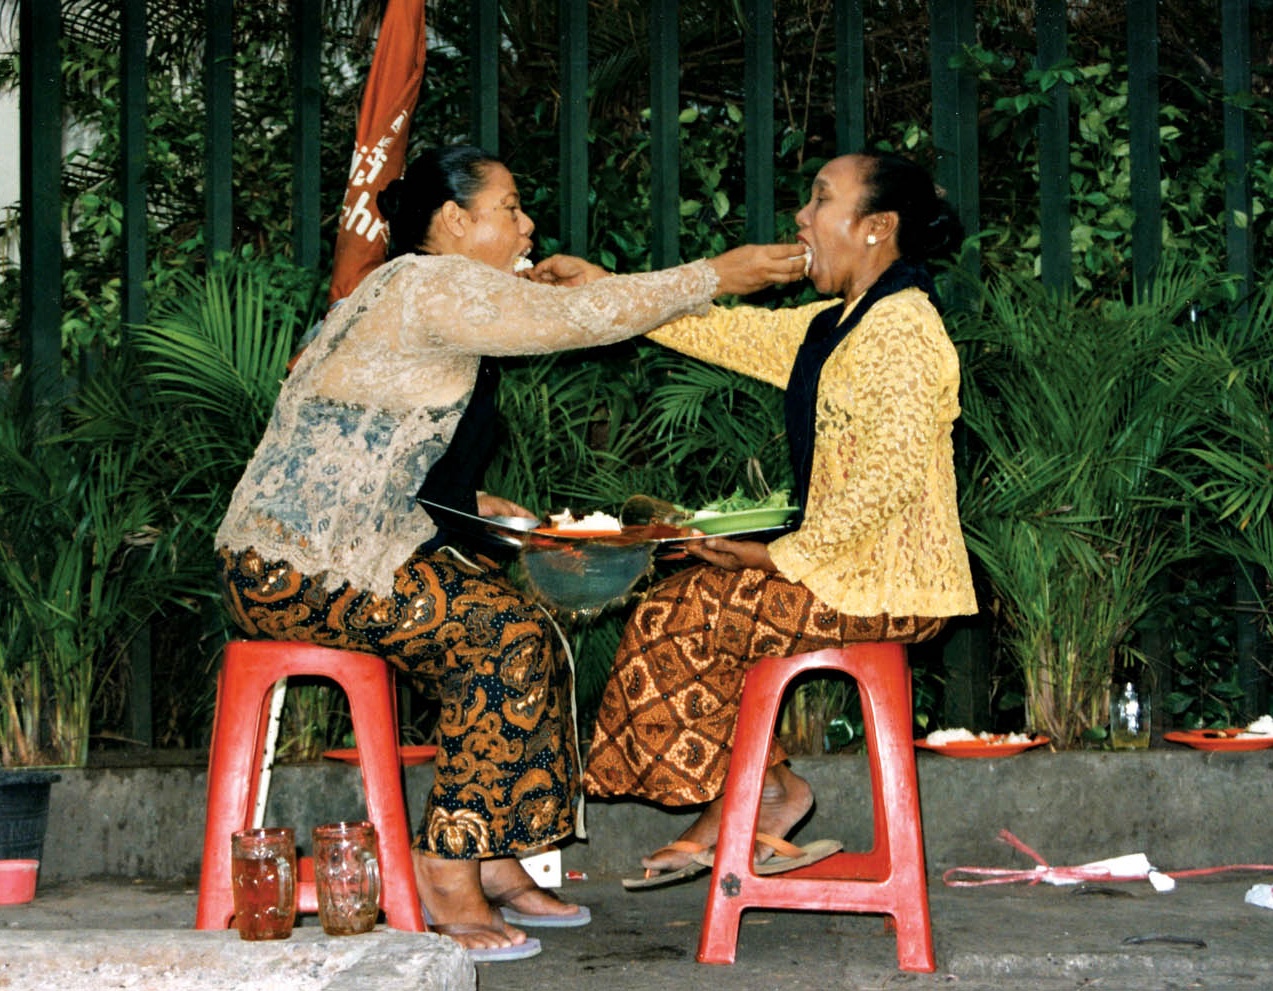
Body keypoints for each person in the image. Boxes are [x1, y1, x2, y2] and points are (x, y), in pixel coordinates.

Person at [213, 144, 807, 960]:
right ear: (453, 221)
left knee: (525, 625)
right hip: (295, 570)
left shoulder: (412, 289)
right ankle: (445, 867)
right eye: (510, 207)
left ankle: (494, 855)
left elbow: (376, 439)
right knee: (500, 637)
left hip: (328, 555)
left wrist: (474, 502)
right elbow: (573, 322)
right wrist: (714, 274)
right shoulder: (427, 283)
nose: (528, 225)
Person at [573, 151, 979, 886]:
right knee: (683, 601)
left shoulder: (904, 328)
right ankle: (769, 788)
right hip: (846, 576)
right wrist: (603, 288)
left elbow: (884, 480)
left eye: (821, 199)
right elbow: (713, 332)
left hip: (895, 587)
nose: (801, 215)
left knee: (686, 613)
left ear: (876, 227)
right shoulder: (839, 325)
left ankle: (760, 794)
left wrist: (775, 557)